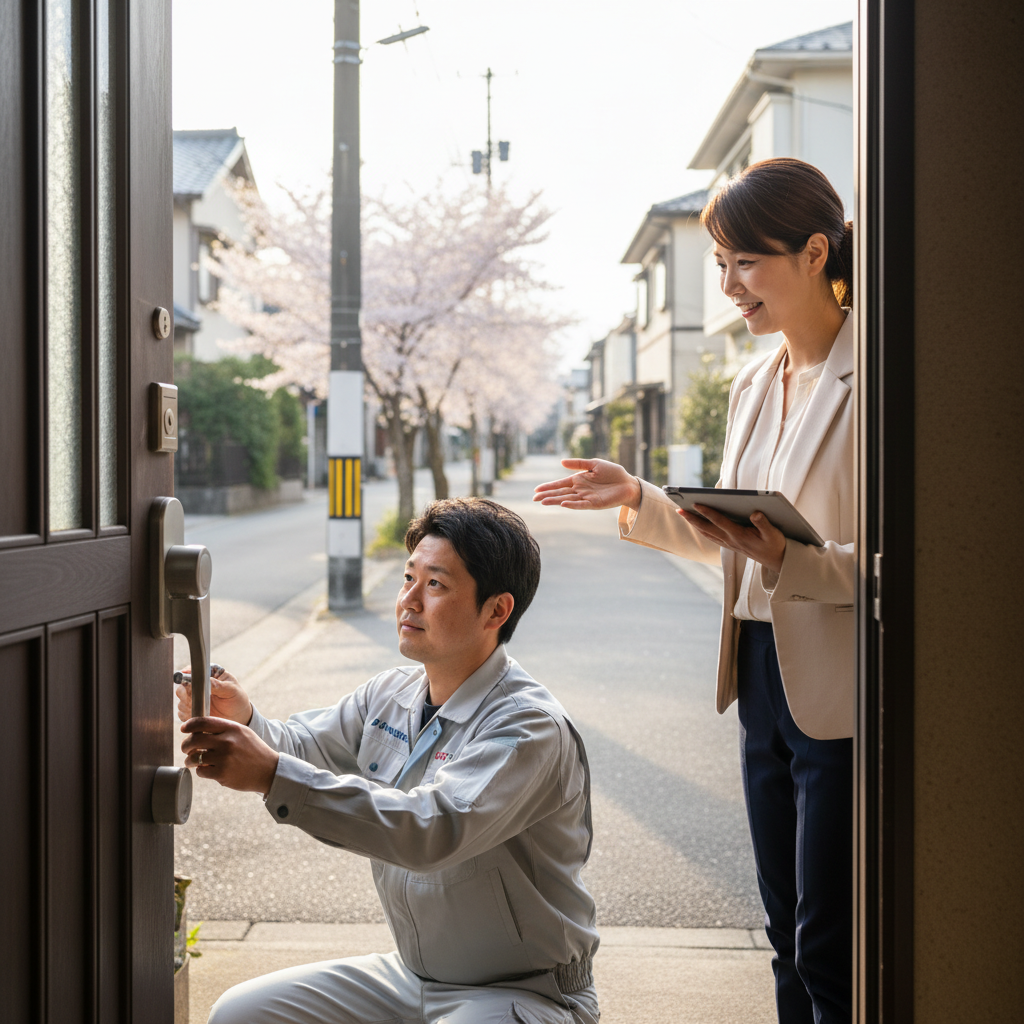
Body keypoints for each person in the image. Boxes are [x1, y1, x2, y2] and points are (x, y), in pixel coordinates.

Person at [534, 158, 855, 1024]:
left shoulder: (882, 376)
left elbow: (913, 565)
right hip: (757, 670)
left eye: (744, 263)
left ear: (816, 251)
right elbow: (730, 538)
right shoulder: (753, 382)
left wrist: (792, 561)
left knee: (832, 943)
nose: (728, 287)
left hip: (839, 681)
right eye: (720, 266)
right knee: (785, 932)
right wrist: (638, 496)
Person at [177, 498, 600, 1024]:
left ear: (497, 610)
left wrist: (269, 774)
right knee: (240, 1014)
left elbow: (432, 828)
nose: (408, 601)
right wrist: (248, 721)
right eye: (408, 578)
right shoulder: (391, 693)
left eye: (436, 585)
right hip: (410, 977)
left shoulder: (528, 727)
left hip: (525, 992)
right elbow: (303, 745)